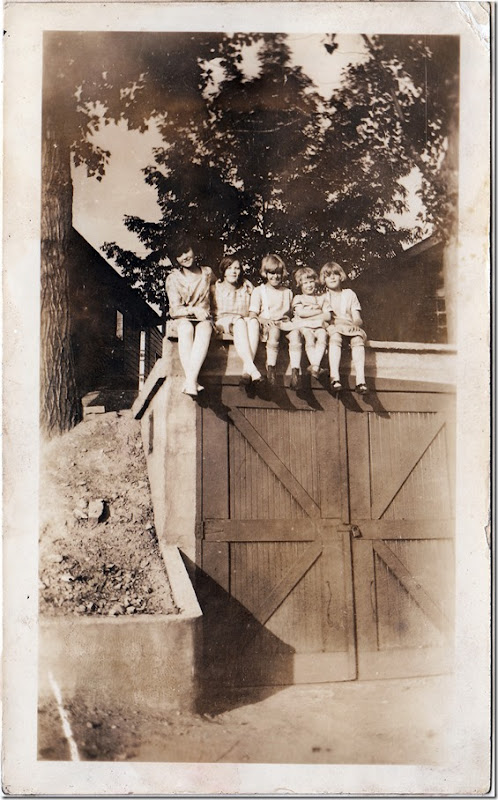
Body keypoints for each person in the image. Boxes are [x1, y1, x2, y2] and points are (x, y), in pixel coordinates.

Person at [165, 239, 213, 397]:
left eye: (186, 251)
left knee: (205, 329)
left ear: (194, 249)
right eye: (179, 255)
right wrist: (193, 310)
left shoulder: (207, 273)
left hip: (205, 319)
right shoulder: (173, 278)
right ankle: (192, 380)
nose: (184, 257)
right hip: (183, 317)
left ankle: (190, 381)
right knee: (185, 328)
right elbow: (175, 310)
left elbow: (221, 289)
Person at [249, 254, 303, 389]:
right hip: (270, 325)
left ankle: (296, 371)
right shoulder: (259, 291)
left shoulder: (287, 292)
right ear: (265, 273)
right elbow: (252, 314)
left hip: (285, 324)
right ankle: (271, 368)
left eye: (278, 273)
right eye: (271, 273)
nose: (275, 277)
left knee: (296, 334)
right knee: (274, 331)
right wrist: (263, 319)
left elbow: (292, 314)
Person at [212, 255, 262, 384]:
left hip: (243, 320)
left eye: (237, 268)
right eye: (229, 268)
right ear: (223, 271)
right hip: (222, 321)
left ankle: (247, 370)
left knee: (254, 322)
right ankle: (252, 368)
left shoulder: (246, 287)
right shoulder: (215, 288)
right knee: (239, 322)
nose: (233, 272)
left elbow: (257, 305)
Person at [320, 261, 368, 395]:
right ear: (324, 279)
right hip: (333, 327)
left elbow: (357, 317)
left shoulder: (349, 294)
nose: (332, 277)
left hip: (348, 326)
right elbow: (324, 318)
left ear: (341, 276)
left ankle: (361, 380)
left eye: (336, 274)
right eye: (328, 275)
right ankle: (334, 378)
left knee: (358, 338)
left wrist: (355, 325)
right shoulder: (323, 297)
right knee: (335, 335)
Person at [291, 267, 331, 378]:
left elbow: (328, 315)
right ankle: (316, 365)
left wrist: (314, 315)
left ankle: (315, 366)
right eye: (305, 283)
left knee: (323, 336)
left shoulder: (321, 298)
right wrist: (318, 312)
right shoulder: (299, 298)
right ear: (300, 284)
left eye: (311, 282)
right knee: (309, 337)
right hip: (304, 326)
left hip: (319, 326)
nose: (309, 285)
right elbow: (301, 313)